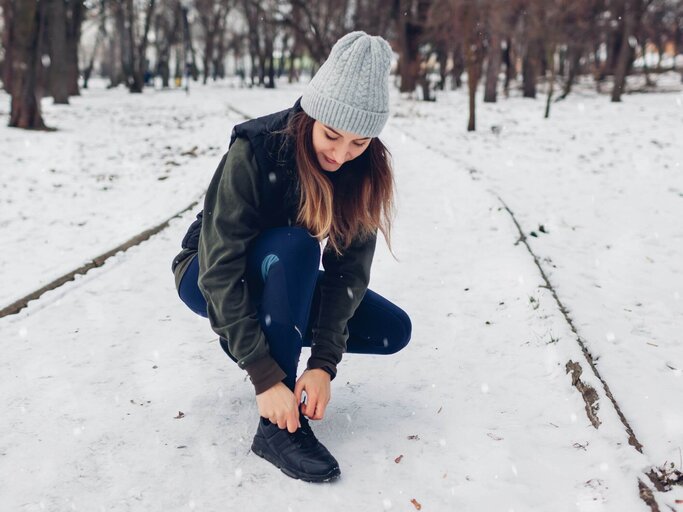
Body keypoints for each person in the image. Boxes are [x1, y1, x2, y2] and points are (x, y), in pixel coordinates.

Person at [171, 31, 411, 482]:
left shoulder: (365, 172)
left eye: (359, 143)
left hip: (281, 275)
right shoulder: (258, 148)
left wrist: (324, 364)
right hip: (207, 270)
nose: (341, 155)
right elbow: (219, 267)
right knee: (297, 245)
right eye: (333, 136)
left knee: (391, 330)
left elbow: (348, 276)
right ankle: (276, 428)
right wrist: (265, 375)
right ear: (313, 114)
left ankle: (269, 331)